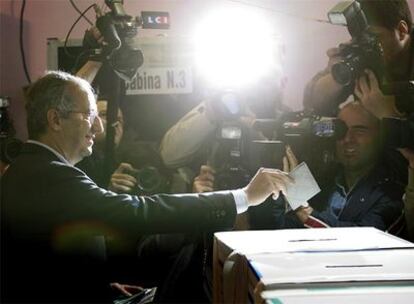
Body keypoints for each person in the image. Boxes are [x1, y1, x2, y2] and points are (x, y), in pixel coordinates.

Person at [0, 71, 291, 303]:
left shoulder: (30, 170)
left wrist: (101, 286)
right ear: (54, 120)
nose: (99, 128)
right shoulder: (51, 176)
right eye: (89, 115)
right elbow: (138, 212)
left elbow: (41, 262)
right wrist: (243, 197)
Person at [249, 102, 405, 232]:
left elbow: (364, 239)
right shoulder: (325, 181)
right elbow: (285, 231)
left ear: (380, 137)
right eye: (341, 131)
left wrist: (301, 206)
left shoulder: (393, 193)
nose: (348, 139)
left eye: (360, 131)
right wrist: (275, 187)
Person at [303, 0, 413, 117]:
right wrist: (338, 75)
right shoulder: (362, 50)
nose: (366, 45)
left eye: (372, 38)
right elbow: (312, 102)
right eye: (360, 38)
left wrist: (388, 115)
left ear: (402, 31)